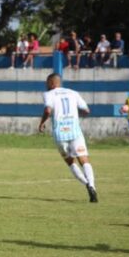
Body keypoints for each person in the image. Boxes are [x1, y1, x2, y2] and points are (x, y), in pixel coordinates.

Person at [39, 73, 98, 203]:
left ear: (52, 83)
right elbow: (86, 110)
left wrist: (42, 122)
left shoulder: (48, 94)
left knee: (70, 162)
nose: (46, 85)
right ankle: (92, 185)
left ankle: (86, 185)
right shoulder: (73, 93)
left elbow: (48, 111)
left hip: (60, 133)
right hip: (75, 131)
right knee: (84, 160)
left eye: (47, 82)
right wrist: (75, 113)